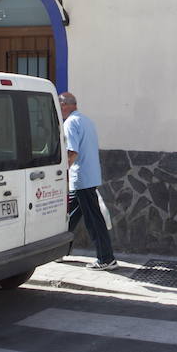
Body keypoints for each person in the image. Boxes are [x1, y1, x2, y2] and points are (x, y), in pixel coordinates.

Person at [59, 92, 117, 270]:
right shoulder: (85, 120)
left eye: (59, 105)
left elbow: (72, 152)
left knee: (93, 220)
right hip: (87, 176)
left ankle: (106, 258)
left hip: (81, 177)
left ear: (64, 105)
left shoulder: (70, 123)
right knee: (69, 215)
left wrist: (62, 172)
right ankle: (58, 250)